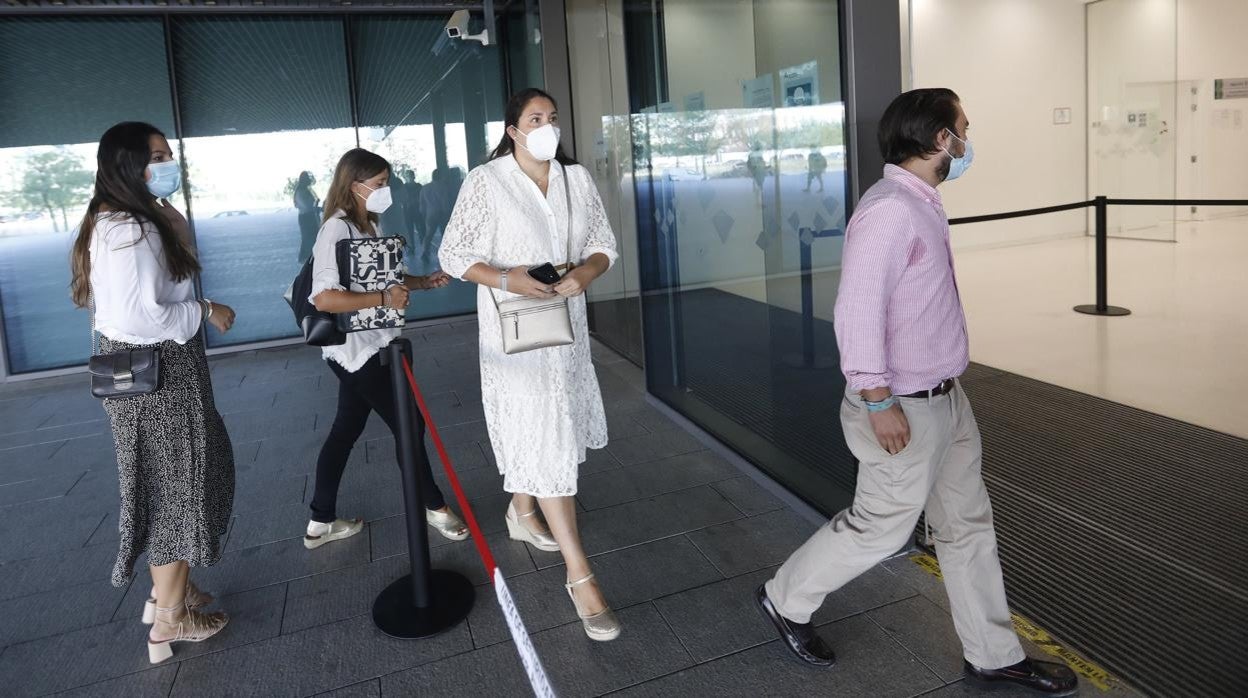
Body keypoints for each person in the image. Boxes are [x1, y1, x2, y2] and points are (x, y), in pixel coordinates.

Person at [754, 89, 1078, 696]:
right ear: (939, 139)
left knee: (966, 524)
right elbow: (856, 312)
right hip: (903, 404)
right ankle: (784, 598)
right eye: (962, 130)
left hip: (946, 399)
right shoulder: (890, 210)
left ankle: (993, 656)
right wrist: (878, 402)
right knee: (880, 527)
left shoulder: (920, 202)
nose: (967, 143)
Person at [439, 88, 621, 642]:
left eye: (552, 118)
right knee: (546, 439)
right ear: (513, 130)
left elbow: (603, 244)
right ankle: (580, 576)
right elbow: (453, 254)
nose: (547, 127)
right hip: (514, 333)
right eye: (535, 118)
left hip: (564, 327)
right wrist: (507, 278)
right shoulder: (486, 181)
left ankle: (521, 511)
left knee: (549, 429)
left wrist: (585, 273)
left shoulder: (576, 179)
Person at [69, 121, 237, 664]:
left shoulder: (124, 219)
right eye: (158, 156)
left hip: (155, 375)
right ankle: (169, 619)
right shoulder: (130, 230)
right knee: (179, 490)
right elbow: (144, 318)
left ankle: (170, 593)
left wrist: (170, 220)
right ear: (129, 165)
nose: (169, 163)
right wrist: (206, 310)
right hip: (162, 376)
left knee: (172, 483)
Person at [305, 148, 470, 549]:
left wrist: (422, 282)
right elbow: (324, 298)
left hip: (376, 343)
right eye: (379, 184)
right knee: (409, 425)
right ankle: (434, 506)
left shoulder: (368, 226)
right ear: (354, 185)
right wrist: (384, 299)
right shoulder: (336, 230)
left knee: (346, 428)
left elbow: (385, 279)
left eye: (386, 183)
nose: (386, 190)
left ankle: (320, 520)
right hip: (356, 350)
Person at [294, 171, 321, 263]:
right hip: (306, 217)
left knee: (311, 236)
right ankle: (306, 257)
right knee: (308, 237)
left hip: (309, 216)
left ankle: (309, 256)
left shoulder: (305, 190)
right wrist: (315, 207)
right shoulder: (301, 192)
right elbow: (306, 206)